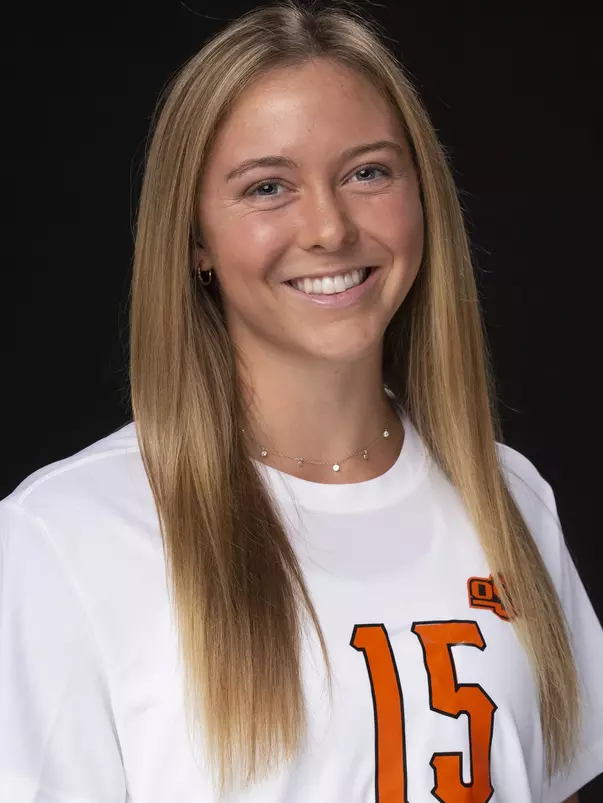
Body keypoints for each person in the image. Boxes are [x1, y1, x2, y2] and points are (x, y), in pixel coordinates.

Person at [1, 1, 601, 801]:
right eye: (268, 186)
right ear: (195, 243)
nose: (327, 227)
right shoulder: (65, 538)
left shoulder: (510, 499)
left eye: (367, 172)